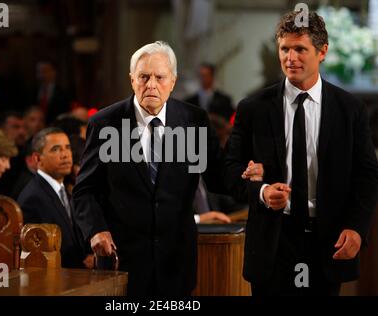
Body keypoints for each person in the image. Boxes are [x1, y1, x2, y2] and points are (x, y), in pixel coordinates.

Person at [225, 11, 378, 296]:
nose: (290, 57)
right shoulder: (253, 108)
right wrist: (262, 191)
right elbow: (230, 170)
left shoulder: (350, 110)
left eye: (300, 49)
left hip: (326, 241)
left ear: (322, 52)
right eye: (284, 49)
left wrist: (356, 227)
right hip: (273, 241)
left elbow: (367, 176)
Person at [73, 41, 230, 296]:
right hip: (121, 263)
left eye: (159, 77)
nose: (151, 85)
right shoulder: (105, 123)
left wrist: (253, 177)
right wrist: (95, 230)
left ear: (173, 81)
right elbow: (85, 190)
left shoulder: (194, 120)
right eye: (144, 77)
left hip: (175, 264)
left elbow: (218, 178)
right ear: (132, 79)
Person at [18, 128, 91, 269]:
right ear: (37, 159)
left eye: (67, 148)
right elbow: (36, 255)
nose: (65, 155)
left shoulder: (66, 191)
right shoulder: (33, 197)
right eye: (56, 149)